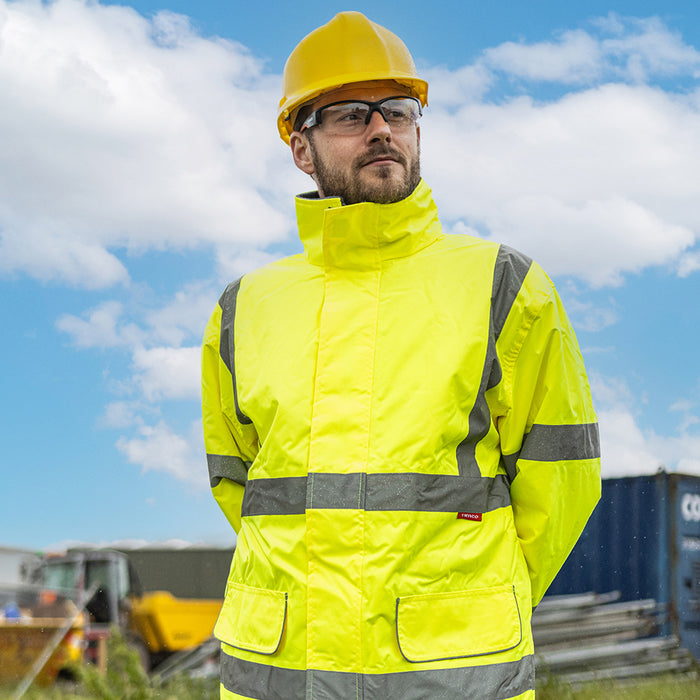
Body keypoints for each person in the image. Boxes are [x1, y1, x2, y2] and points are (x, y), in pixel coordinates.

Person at [201, 11, 601, 700]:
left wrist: (475, 598)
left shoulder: (504, 286)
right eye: (353, 114)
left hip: (450, 674)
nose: (383, 129)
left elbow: (560, 484)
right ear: (302, 148)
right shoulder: (247, 307)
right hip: (278, 674)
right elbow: (243, 486)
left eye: (399, 110)